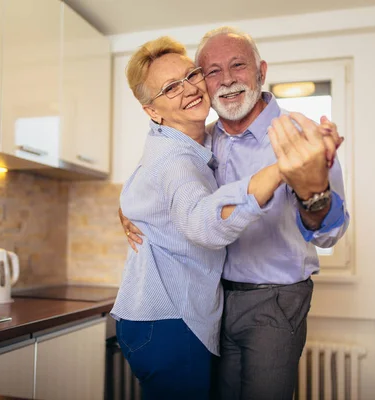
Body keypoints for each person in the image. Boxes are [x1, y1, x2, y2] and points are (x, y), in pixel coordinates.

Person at [121, 27, 350, 400]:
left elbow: (329, 234)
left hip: (275, 299)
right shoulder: (201, 137)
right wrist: (128, 209)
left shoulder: (299, 138)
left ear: (261, 70)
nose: (226, 80)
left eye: (237, 66)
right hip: (217, 303)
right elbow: (156, 173)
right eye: (210, 71)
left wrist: (315, 194)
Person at [111, 36, 287, 400]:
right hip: (172, 323)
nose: (189, 89)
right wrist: (280, 170)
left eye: (190, 75)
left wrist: (126, 208)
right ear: (152, 110)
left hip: (158, 319)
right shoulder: (177, 159)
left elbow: (143, 191)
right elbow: (200, 222)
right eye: (170, 88)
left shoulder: (188, 142)